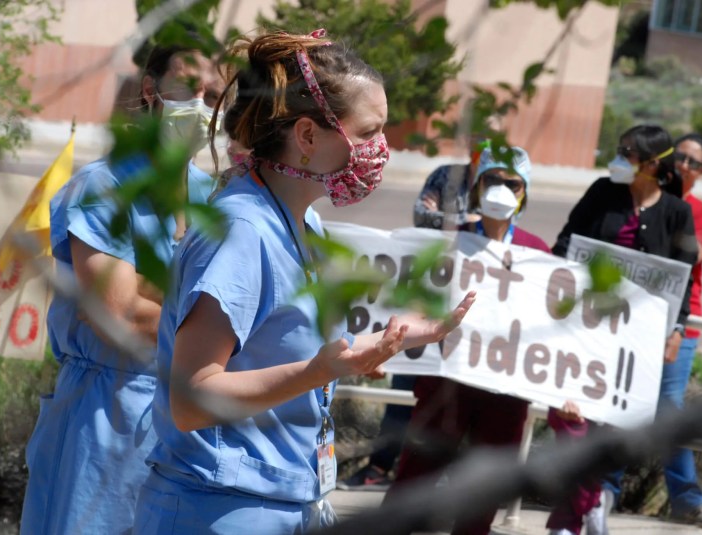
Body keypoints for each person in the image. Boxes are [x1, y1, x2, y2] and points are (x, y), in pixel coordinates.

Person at [131, 30, 475, 534]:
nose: (381, 150)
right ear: (308, 136)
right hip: (221, 511)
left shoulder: (303, 223)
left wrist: (382, 343)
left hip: (285, 501)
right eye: (368, 132)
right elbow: (190, 400)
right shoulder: (242, 231)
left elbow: (282, 351)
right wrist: (317, 371)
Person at [20, 45, 223, 535]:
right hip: (105, 415)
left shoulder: (214, 197)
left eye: (213, 94)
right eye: (187, 87)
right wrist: (219, 334)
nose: (200, 104)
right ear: (150, 90)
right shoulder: (103, 187)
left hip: (184, 415)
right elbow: (120, 315)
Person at [382, 145, 547, 535]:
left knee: (484, 492)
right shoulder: (448, 241)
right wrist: (383, 352)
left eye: (512, 183)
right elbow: (415, 303)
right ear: (477, 186)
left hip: (505, 390)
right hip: (445, 382)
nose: (501, 189)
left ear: (525, 192)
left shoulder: (538, 251)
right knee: (415, 477)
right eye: (492, 179)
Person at [548, 124, 698, 535]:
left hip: (635, 345)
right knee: (568, 420)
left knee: (609, 431)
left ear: (652, 164)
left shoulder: (677, 212)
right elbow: (565, 243)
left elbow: (681, 280)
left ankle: (569, 522)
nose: (618, 158)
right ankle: (590, 503)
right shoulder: (602, 192)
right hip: (582, 332)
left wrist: (677, 329)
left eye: (627, 153)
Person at [338, 141, 489, 491]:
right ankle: (381, 466)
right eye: (479, 140)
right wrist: (466, 222)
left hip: (468, 306)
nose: (483, 147)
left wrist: (459, 223)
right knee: (406, 386)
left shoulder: (500, 180)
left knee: (455, 402)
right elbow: (423, 215)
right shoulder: (446, 177)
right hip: (430, 293)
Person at [656, 133, 702, 527]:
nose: (684, 166)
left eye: (693, 162)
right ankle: (603, 492)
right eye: (679, 157)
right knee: (620, 406)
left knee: (669, 410)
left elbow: (692, 253)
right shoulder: (643, 197)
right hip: (631, 320)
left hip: (681, 326)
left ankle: (687, 499)